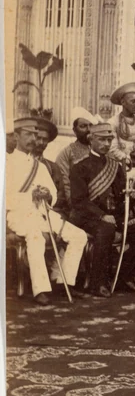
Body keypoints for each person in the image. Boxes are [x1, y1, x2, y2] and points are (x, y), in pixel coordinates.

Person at [7, 116, 88, 304]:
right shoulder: (7, 163)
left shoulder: (40, 166)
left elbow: (52, 192)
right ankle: (41, 289)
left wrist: (46, 194)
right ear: (16, 136)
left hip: (44, 213)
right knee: (35, 236)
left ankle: (64, 282)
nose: (33, 139)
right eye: (28, 134)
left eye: (35, 135)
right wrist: (31, 196)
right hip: (19, 215)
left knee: (78, 235)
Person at [55, 109, 98, 204]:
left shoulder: (101, 149)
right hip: (79, 204)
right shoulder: (66, 154)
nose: (88, 130)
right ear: (75, 130)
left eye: (90, 125)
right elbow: (65, 185)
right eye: (83, 126)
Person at [108, 82, 135, 164]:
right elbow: (112, 149)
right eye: (133, 101)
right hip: (120, 163)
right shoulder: (113, 122)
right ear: (123, 102)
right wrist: (129, 160)